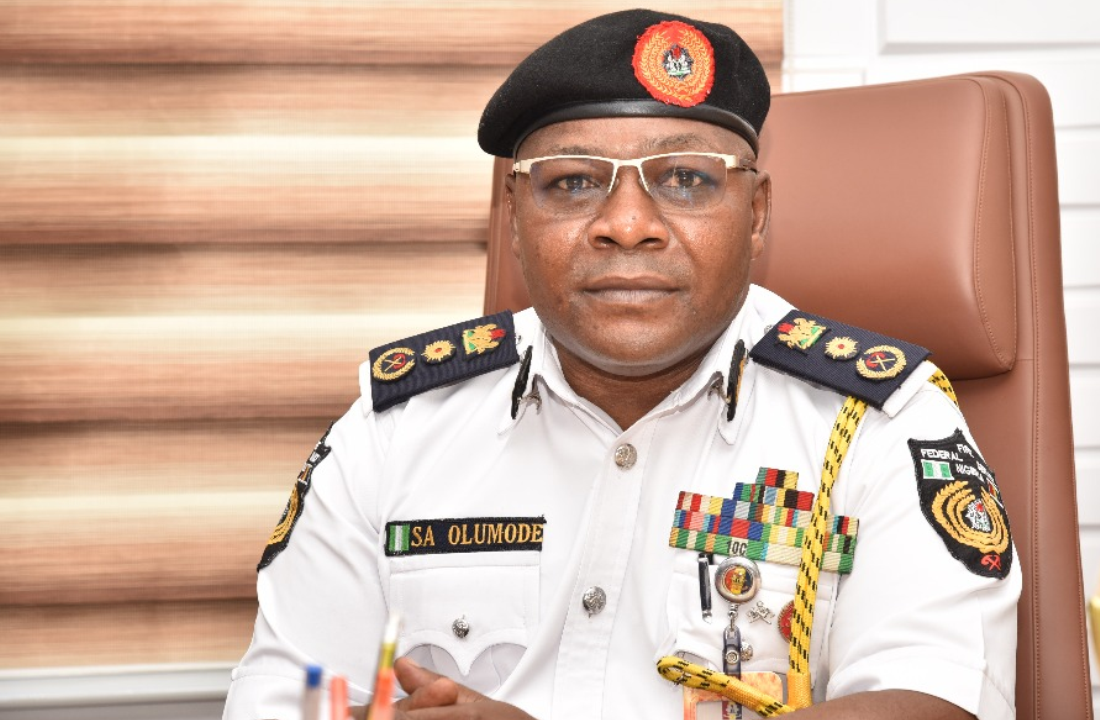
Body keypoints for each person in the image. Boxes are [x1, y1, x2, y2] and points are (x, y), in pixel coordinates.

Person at [224, 9, 1020, 720]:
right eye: (573, 182)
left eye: (685, 179)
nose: (628, 224)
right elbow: (291, 691)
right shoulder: (398, 429)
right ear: (513, 217)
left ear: (756, 216)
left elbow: (931, 701)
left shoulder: (877, 424)